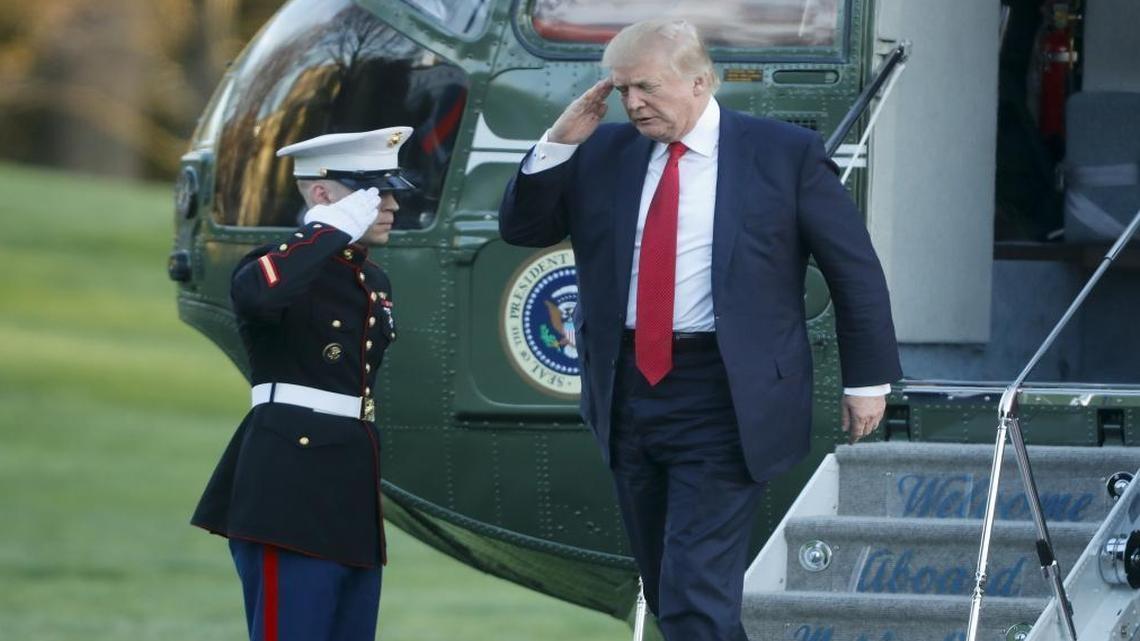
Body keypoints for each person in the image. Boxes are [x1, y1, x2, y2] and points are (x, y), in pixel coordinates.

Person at [498, 19, 902, 641]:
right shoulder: (602, 152)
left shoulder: (782, 153)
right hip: (628, 390)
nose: (633, 103)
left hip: (726, 395)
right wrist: (557, 141)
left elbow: (855, 272)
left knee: (693, 595)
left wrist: (867, 380)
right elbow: (523, 230)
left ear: (700, 81)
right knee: (671, 592)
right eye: (623, 88)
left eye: (647, 88)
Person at [191, 126, 415, 641]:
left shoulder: (370, 279)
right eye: (373, 191)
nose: (390, 205)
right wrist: (327, 233)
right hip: (288, 487)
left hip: (349, 489)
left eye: (390, 192)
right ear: (322, 194)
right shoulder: (275, 265)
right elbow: (259, 298)